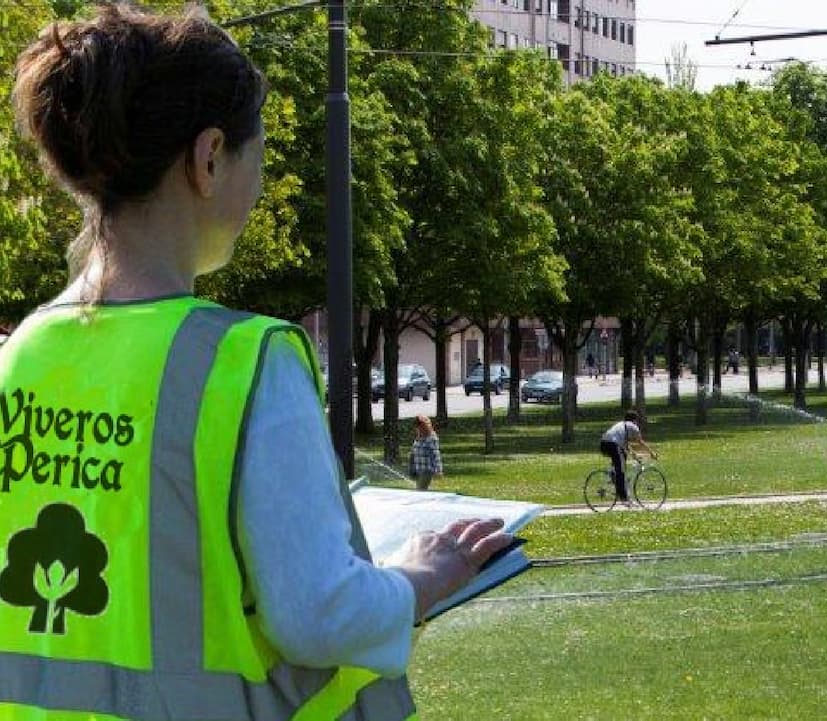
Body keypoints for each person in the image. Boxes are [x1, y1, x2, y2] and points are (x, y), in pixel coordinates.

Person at [0, 6, 509, 717]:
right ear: (209, 158)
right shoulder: (246, 361)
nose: (260, 183)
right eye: (259, 156)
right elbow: (317, 615)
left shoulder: (19, 353)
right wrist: (422, 575)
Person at [599, 411, 659, 505]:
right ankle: (623, 497)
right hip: (613, 445)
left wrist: (634, 455)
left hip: (604, 444)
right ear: (634, 420)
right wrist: (651, 453)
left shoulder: (622, 425)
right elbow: (640, 441)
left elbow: (625, 446)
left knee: (621, 459)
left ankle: (613, 477)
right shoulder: (632, 426)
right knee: (621, 470)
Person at [408, 415, 444, 490]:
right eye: (416, 426)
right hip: (418, 469)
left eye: (420, 425)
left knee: (420, 490)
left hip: (427, 470)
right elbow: (413, 452)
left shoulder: (431, 438)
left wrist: (438, 470)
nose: (418, 428)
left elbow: (436, 455)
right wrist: (411, 468)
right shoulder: (418, 437)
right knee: (421, 490)